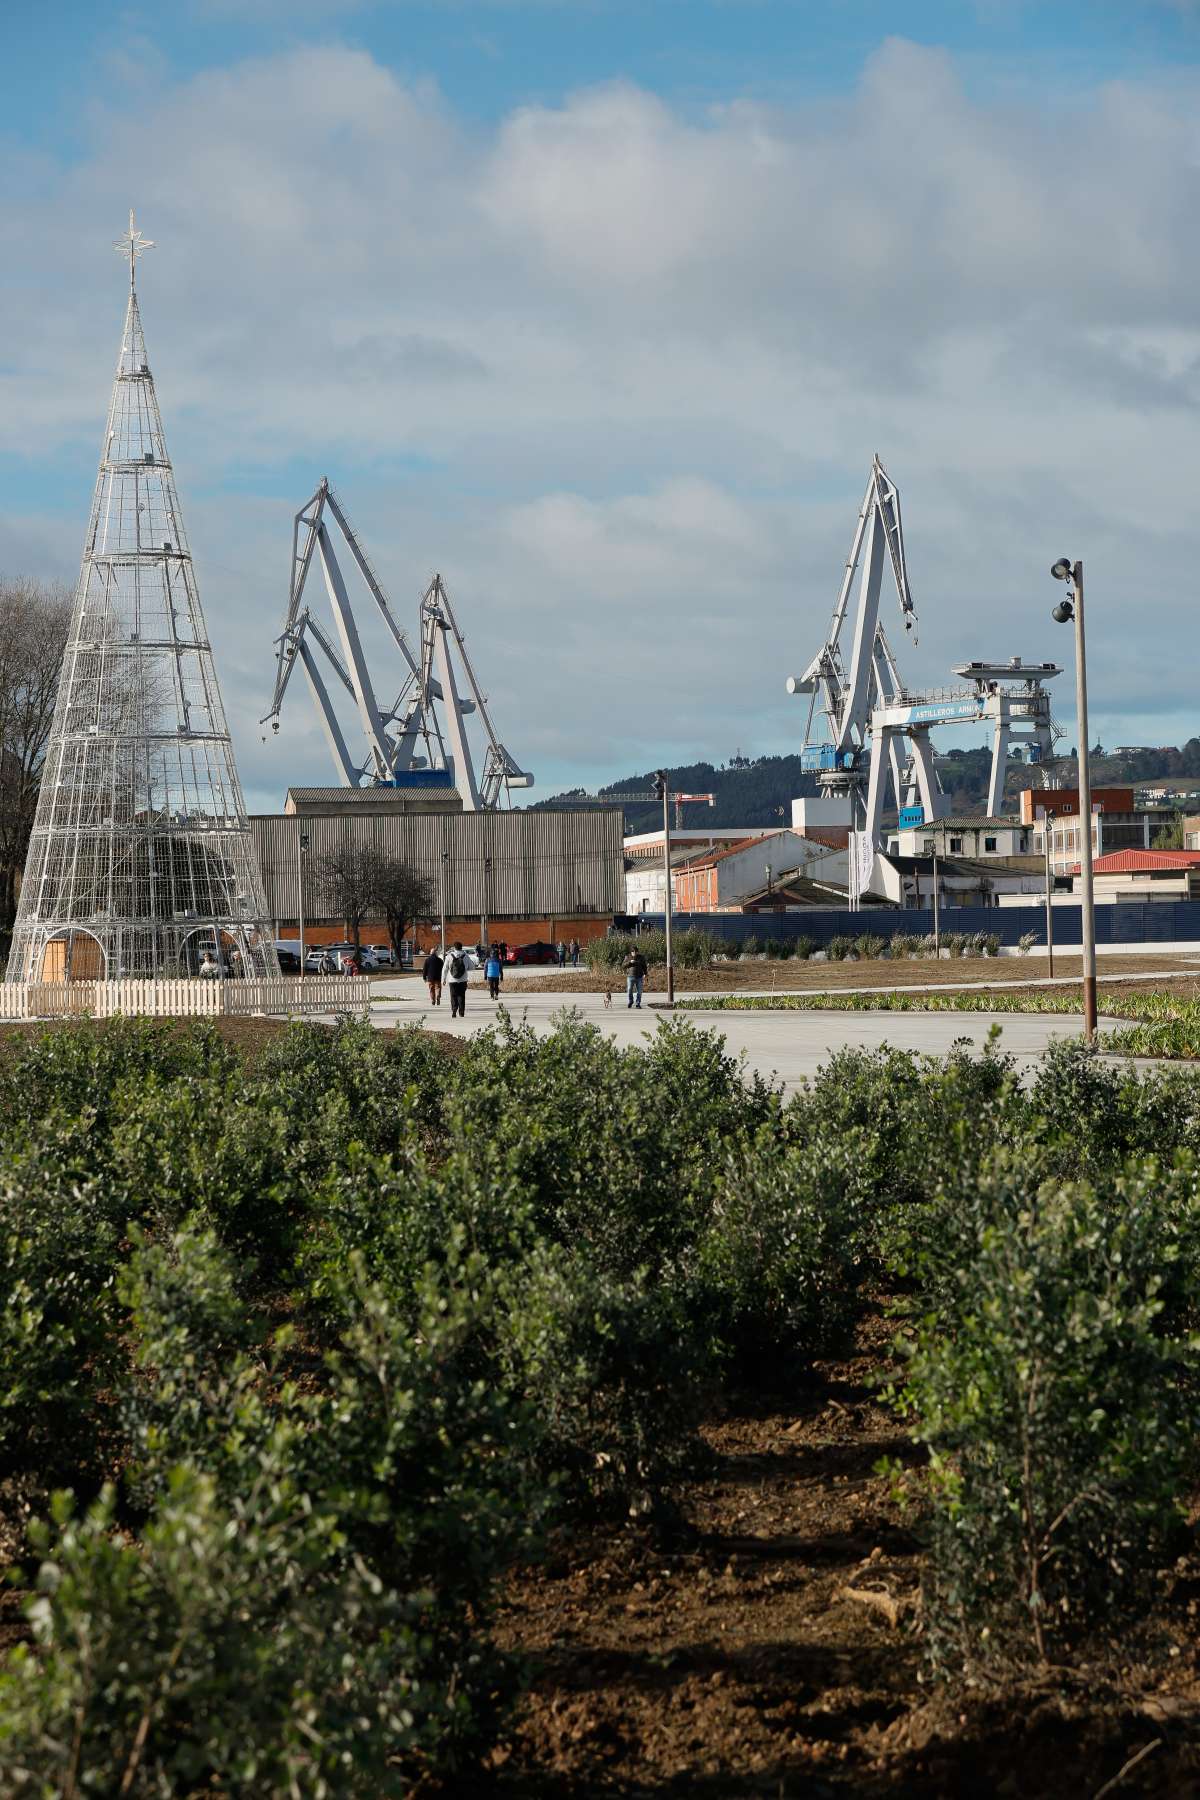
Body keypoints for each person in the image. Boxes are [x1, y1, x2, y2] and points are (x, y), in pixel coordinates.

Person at [445, 940, 470, 1018]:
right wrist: (465, 968)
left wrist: (443, 979)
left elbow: (445, 969)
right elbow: (472, 966)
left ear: (454, 948)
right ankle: (461, 1012)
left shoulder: (449, 956)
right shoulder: (466, 956)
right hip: (463, 980)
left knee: (453, 995)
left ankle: (454, 1009)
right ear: (461, 947)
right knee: (461, 995)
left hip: (452, 980)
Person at [623, 944, 648, 1009]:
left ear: (637, 951)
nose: (634, 953)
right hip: (630, 976)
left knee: (639, 991)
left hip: (639, 976)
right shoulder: (627, 957)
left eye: (636, 951)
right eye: (633, 951)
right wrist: (630, 962)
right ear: (631, 952)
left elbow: (644, 966)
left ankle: (638, 1003)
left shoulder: (641, 957)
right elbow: (623, 966)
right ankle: (631, 1001)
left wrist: (645, 973)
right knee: (629, 990)